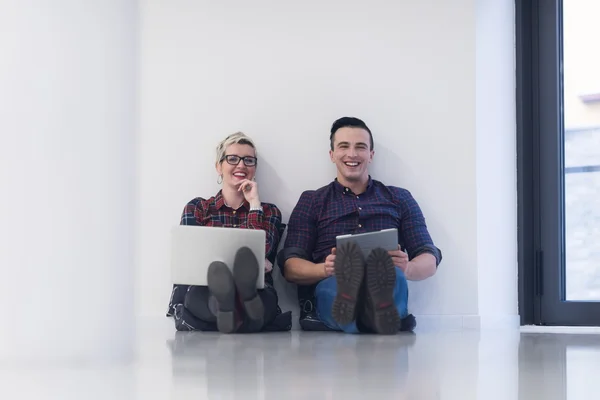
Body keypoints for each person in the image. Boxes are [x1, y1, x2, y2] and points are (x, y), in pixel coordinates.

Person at [278, 117, 442, 334]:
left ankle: (369, 314)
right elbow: (290, 266)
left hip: (386, 278)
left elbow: (429, 256)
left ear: (371, 155)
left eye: (360, 147)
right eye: (344, 146)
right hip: (334, 282)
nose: (352, 154)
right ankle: (370, 316)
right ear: (332, 155)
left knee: (393, 276)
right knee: (340, 287)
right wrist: (324, 269)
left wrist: (409, 267)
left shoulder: (399, 198)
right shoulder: (312, 200)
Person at [166, 132, 291, 333]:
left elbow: (262, 253)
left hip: (258, 291)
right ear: (219, 166)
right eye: (232, 159)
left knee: (264, 299)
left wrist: (254, 205)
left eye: (248, 160)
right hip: (206, 289)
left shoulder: (269, 211)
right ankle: (234, 310)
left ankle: (229, 310)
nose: (241, 165)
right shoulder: (197, 208)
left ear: (254, 168)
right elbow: (191, 262)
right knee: (197, 296)